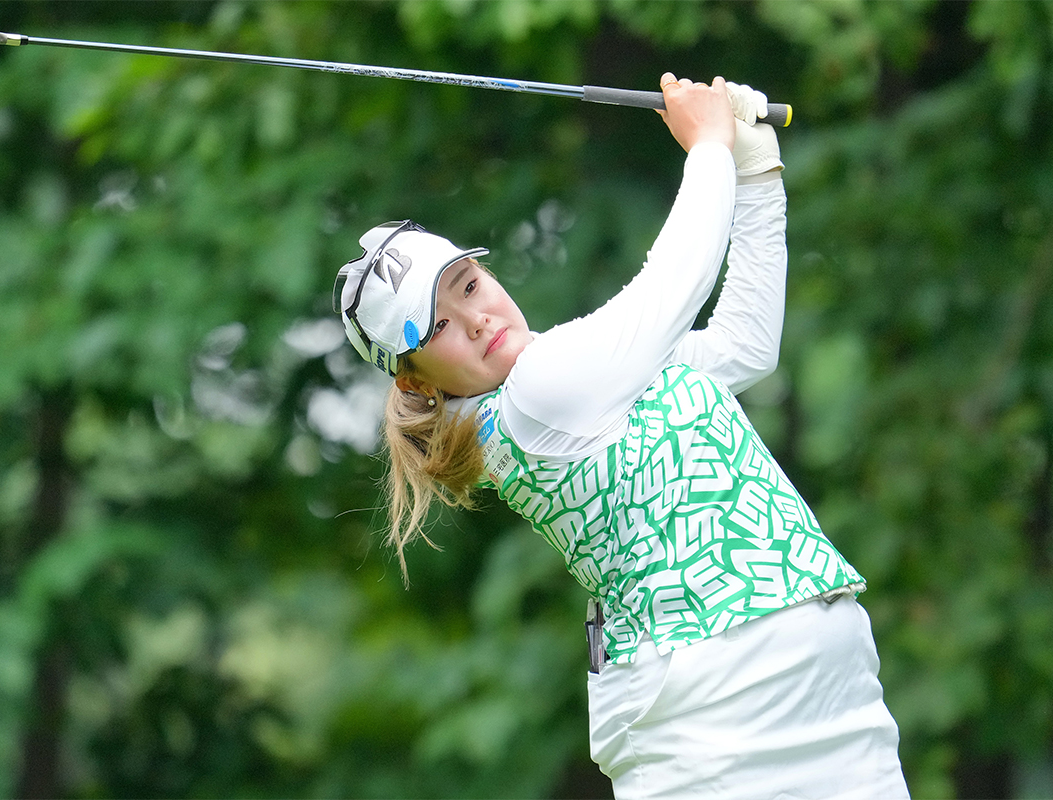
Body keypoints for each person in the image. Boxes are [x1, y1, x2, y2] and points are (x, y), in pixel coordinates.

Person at [333, 74, 910, 799]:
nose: (476, 318)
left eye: (469, 285)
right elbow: (673, 282)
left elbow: (745, 346)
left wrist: (756, 173)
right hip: (716, 727)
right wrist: (708, 146)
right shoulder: (541, 393)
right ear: (416, 381)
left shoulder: (594, 372)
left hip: (828, 706)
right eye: (438, 326)